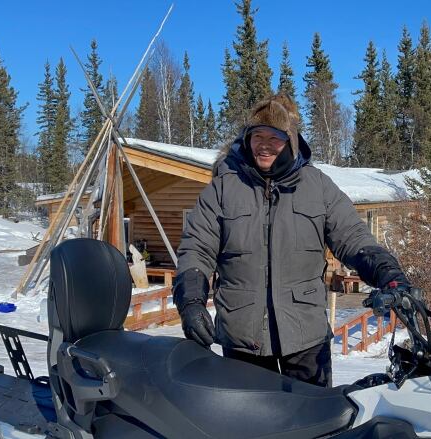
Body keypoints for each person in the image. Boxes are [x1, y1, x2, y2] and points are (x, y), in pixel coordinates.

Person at [172, 94, 407, 387]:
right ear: (247, 139)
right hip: (243, 339)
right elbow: (196, 248)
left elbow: (352, 235)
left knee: (316, 423)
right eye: (258, 135)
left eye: (275, 137)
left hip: (306, 338)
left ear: (291, 141)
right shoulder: (223, 189)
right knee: (253, 428)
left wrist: (388, 273)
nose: (265, 145)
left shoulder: (317, 186)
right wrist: (191, 302)